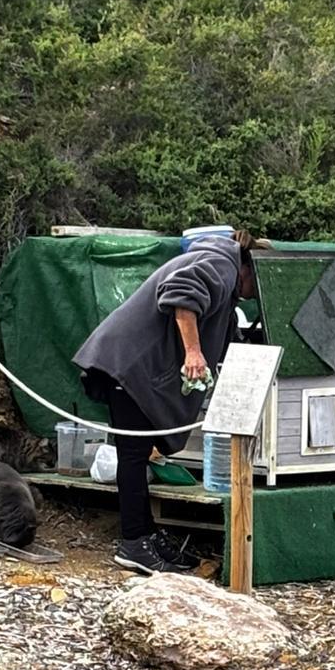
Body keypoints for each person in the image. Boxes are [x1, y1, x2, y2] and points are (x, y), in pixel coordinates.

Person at [74, 228, 263, 573]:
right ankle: (133, 543)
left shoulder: (221, 267)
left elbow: (216, 322)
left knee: (138, 453)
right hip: (128, 364)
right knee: (132, 455)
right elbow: (180, 294)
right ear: (248, 269)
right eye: (256, 284)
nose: (253, 296)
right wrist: (193, 353)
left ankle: (145, 533)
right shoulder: (222, 264)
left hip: (133, 365)